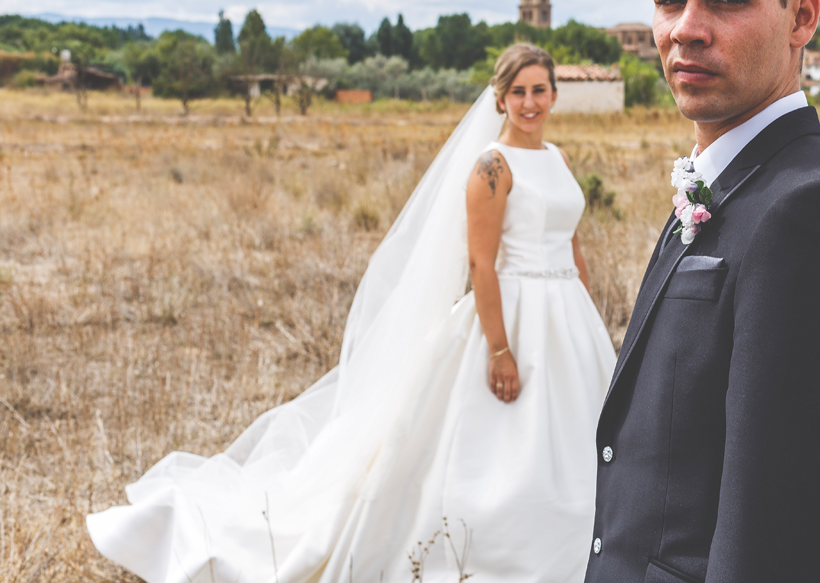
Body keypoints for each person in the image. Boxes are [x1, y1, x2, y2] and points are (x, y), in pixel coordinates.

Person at [88, 44, 617, 583]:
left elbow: (570, 242)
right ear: (501, 98)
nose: (530, 102)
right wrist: (500, 350)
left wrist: (586, 310)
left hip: (567, 316)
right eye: (519, 92)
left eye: (540, 90)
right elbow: (482, 264)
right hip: (509, 316)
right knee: (501, 452)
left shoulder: (558, 158)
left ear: (554, 94)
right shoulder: (490, 167)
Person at [585, 0, 820, 583]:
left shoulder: (816, 209)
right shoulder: (721, 182)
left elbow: (783, 534)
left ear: (802, 17)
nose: (685, 29)